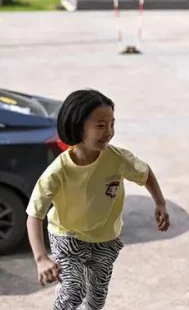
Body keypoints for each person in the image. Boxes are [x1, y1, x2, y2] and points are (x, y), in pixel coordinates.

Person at [26, 89, 171, 310]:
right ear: (77, 127)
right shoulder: (59, 171)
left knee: (95, 301)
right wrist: (41, 259)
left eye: (112, 124)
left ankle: (72, 290)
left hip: (105, 237)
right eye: (101, 126)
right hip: (67, 236)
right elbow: (34, 215)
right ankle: (66, 291)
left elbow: (145, 172)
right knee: (74, 292)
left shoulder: (117, 159)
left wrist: (160, 202)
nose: (109, 132)